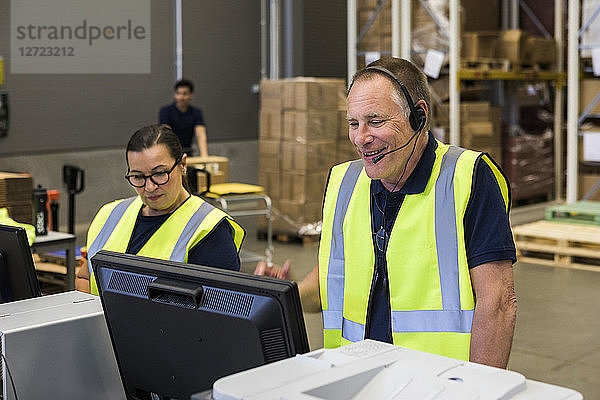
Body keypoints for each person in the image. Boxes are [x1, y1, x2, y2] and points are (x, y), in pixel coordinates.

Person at [256, 57, 517, 369]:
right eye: (353, 123)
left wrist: (479, 390)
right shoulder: (345, 183)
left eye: (375, 121)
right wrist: (285, 293)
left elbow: (499, 302)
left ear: (419, 116)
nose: (361, 138)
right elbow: (333, 284)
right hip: (354, 377)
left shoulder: (467, 177)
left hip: (436, 384)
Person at [76, 124, 244, 294]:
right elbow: (85, 277)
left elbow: (219, 308)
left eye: (160, 173)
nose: (149, 187)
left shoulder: (208, 229)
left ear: (183, 165)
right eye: (138, 176)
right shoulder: (110, 215)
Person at [159, 79, 208, 157]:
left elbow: (200, 134)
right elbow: (166, 135)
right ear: (175, 95)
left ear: (191, 95)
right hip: (171, 153)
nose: (181, 97)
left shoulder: (196, 112)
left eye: (185, 94)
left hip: (188, 152)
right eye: (178, 93)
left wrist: (204, 156)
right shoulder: (166, 111)